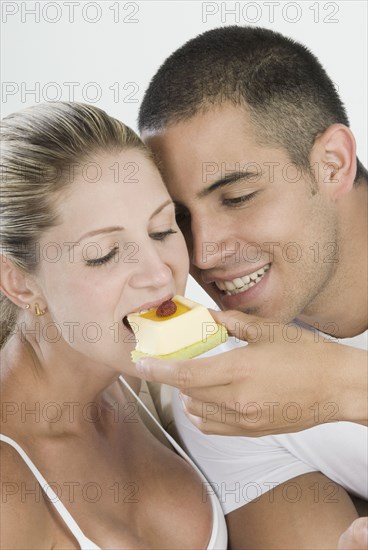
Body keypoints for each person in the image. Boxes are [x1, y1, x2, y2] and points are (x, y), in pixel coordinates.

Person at [136, 26, 368, 549]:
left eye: (237, 197)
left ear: (331, 165)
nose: (203, 254)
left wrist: (341, 385)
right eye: (178, 219)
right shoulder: (227, 388)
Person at [0, 101, 227, 549]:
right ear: (21, 284)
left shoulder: (148, 383)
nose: (160, 274)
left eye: (163, 230)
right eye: (104, 254)